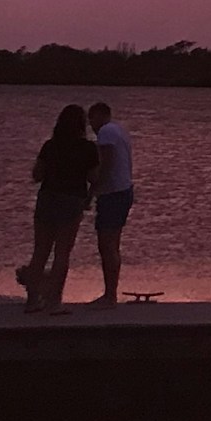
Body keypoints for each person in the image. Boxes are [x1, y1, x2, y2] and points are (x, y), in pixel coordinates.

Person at [16, 104, 98, 313]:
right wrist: (89, 198)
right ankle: (54, 301)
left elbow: (37, 175)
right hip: (71, 201)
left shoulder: (50, 146)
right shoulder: (88, 148)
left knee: (40, 252)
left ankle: (33, 300)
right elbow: (94, 178)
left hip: (47, 199)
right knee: (62, 253)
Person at [86, 100, 134, 307]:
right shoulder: (119, 130)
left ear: (99, 116)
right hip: (124, 190)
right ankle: (110, 293)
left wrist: (90, 192)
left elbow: (106, 165)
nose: (91, 125)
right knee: (112, 245)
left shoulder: (106, 133)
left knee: (107, 245)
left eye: (91, 119)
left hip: (113, 194)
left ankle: (109, 295)